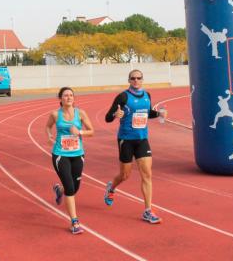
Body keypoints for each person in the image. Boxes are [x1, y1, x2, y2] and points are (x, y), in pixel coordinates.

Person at [103, 70, 166, 224]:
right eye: (133, 78)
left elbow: (147, 113)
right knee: (125, 175)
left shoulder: (147, 95)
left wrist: (159, 114)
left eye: (139, 78)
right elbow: (107, 118)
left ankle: (148, 210)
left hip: (142, 139)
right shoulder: (123, 97)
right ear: (129, 80)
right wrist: (115, 115)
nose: (136, 80)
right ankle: (111, 188)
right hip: (126, 139)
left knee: (147, 174)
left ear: (142, 80)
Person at [46, 87, 94, 235]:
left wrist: (79, 132)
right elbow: (48, 126)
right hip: (60, 154)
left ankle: (59, 190)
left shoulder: (81, 114)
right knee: (70, 187)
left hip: (78, 154)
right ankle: (74, 222)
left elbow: (91, 131)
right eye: (66, 95)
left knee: (75, 187)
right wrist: (49, 136)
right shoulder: (55, 114)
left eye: (71, 95)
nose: (69, 97)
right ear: (60, 99)